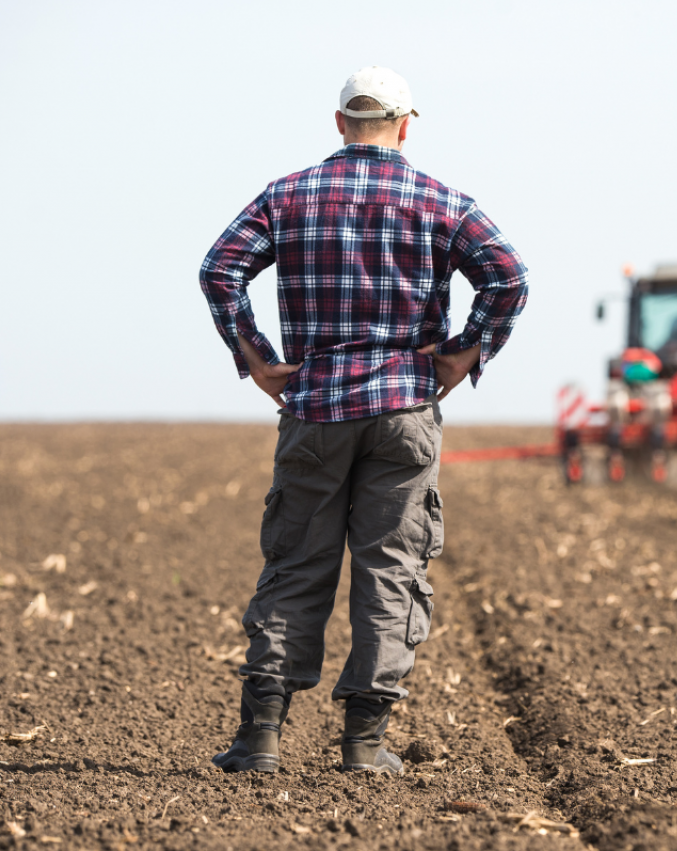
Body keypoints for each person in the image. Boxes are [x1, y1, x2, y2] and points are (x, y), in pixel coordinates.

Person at [198, 66, 528, 774]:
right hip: (405, 409)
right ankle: (365, 744)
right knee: (392, 570)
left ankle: (260, 739)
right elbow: (509, 276)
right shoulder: (442, 201)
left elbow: (219, 268)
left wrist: (255, 357)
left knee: (296, 566)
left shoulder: (287, 196)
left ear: (339, 123)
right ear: (407, 125)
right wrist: (466, 351)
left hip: (314, 406)